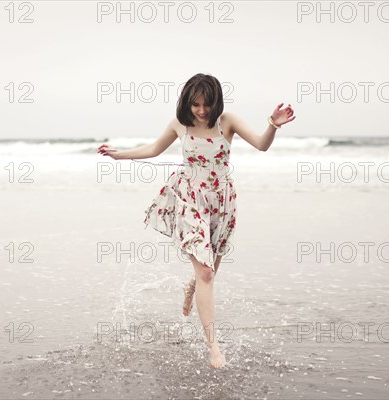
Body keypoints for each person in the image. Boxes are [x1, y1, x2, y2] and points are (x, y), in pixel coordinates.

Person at [98, 73, 295, 368]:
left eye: (207, 104)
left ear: (216, 102)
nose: (202, 111)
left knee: (209, 272)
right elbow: (153, 149)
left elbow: (261, 145)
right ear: (187, 103)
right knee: (206, 274)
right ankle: (214, 348)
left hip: (221, 202)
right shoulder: (181, 124)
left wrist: (272, 126)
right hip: (189, 198)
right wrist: (119, 156)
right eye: (196, 105)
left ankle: (191, 289)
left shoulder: (227, 121)